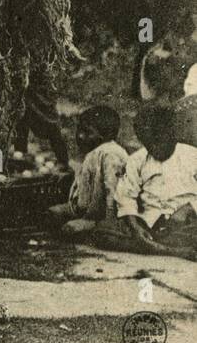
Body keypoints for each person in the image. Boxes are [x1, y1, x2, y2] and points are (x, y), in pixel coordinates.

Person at [98, 102, 197, 259]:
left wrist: (191, 208)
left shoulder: (192, 156)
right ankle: (170, 250)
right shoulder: (137, 159)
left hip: (185, 222)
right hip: (149, 222)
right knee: (103, 231)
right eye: (148, 144)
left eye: (159, 141)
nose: (154, 148)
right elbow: (126, 196)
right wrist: (136, 227)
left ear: (172, 132)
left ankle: (151, 247)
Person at [49, 106, 128, 234]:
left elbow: (113, 189)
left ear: (106, 135)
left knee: (69, 228)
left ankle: (96, 226)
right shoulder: (93, 152)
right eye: (79, 130)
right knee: (52, 214)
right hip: (83, 209)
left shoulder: (110, 154)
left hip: (103, 215)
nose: (80, 136)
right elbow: (86, 178)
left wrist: (108, 219)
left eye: (87, 132)